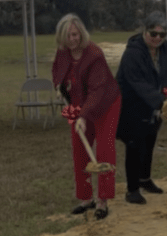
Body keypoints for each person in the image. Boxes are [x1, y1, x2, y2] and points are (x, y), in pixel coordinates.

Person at [51, 13, 122, 220]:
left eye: (75, 34)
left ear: (81, 33)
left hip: (105, 104)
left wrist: (84, 115)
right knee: (79, 148)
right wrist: (59, 87)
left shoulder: (94, 55)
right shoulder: (63, 52)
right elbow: (58, 72)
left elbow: (97, 90)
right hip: (79, 104)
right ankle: (85, 198)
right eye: (67, 36)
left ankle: (103, 199)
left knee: (104, 149)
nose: (72, 40)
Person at [115, 11, 167, 205]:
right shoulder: (133, 53)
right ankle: (132, 189)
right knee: (135, 145)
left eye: (162, 35)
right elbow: (136, 82)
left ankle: (145, 179)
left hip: (157, 104)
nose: (158, 38)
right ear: (145, 31)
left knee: (150, 141)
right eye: (154, 34)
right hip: (132, 105)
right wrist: (161, 99)